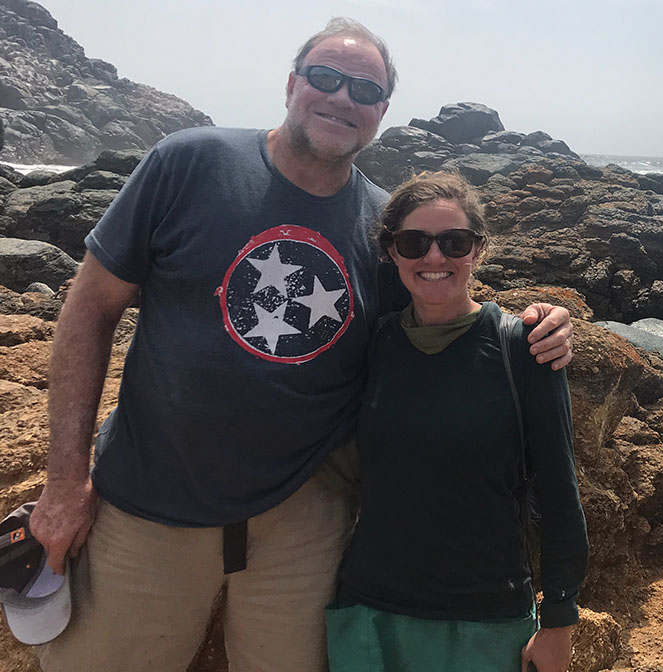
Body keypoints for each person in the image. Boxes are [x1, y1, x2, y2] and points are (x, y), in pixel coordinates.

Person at [29, 18, 573, 672]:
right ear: (292, 84)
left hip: (304, 527)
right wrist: (65, 480)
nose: (343, 98)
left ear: (381, 113)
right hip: (147, 506)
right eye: (325, 78)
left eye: (364, 90)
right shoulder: (188, 162)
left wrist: (535, 325)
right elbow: (90, 307)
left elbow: (439, 313)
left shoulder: (383, 227)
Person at [326, 172, 587, 672]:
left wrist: (558, 621)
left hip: (483, 617)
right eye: (413, 242)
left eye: (454, 241)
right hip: (368, 609)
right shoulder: (373, 343)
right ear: (391, 251)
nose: (434, 257)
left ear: (477, 250)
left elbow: (559, 493)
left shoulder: (524, 349)